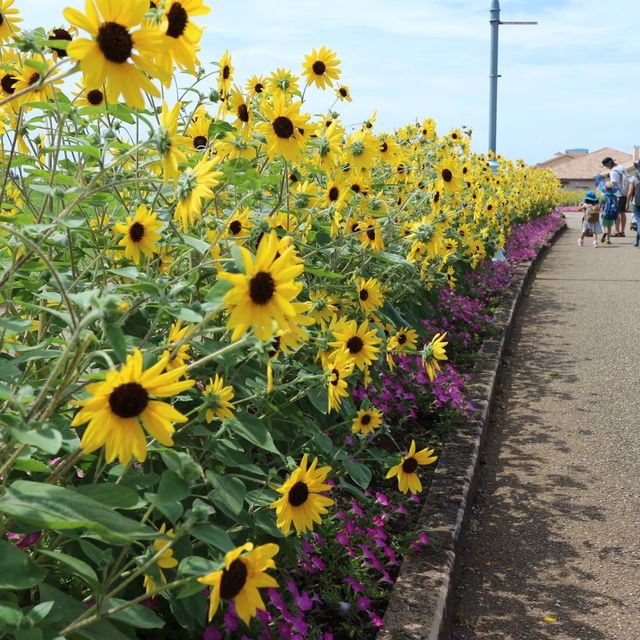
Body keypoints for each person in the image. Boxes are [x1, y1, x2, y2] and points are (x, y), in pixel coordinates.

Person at [601, 156, 628, 236]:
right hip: (624, 192)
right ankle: (622, 231)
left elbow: (614, 183)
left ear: (609, 164)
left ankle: (616, 231)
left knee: (617, 213)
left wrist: (606, 187)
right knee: (622, 213)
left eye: (606, 166)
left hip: (617, 194)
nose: (606, 168)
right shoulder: (621, 167)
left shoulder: (613, 171)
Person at [626, 161, 640, 247]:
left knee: (639, 221)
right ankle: (636, 240)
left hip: (637, 202)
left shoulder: (634, 178)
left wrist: (627, 203)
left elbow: (630, 192)